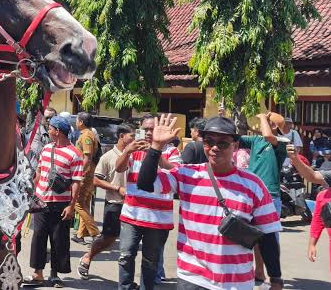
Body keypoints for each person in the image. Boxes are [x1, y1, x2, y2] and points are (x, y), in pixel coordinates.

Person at [137, 115, 283, 290]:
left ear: (235, 146)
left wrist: (276, 278)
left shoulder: (253, 185)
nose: (214, 148)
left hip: (237, 282)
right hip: (193, 279)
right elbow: (145, 183)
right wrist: (156, 147)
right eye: (209, 142)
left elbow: (268, 235)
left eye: (222, 143)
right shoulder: (186, 175)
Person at [115, 114, 180, 290]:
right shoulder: (134, 148)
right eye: (146, 129)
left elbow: (176, 172)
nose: (149, 132)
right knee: (125, 256)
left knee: (150, 262)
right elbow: (119, 168)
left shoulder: (172, 151)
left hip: (158, 219)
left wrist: (155, 152)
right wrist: (127, 151)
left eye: (152, 129)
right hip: (131, 215)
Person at [24, 116, 83, 288]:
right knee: (38, 237)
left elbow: (76, 182)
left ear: (57, 131)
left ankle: (55, 275)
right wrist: (32, 192)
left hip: (61, 204)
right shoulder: (46, 149)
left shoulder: (74, 154)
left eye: (50, 128)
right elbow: (39, 172)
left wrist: (71, 206)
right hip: (41, 202)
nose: (48, 130)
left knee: (59, 240)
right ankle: (38, 273)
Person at [77, 124, 134, 280]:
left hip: (134, 205)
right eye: (131, 136)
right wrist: (117, 188)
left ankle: (127, 281)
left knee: (131, 244)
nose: (134, 139)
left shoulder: (136, 155)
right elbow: (96, 180)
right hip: (115, 203)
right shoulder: (108, 157)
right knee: (108, 238)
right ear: (122, 136)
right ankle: (87, 257)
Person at [238, 112, 286, 285]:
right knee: (254, 236)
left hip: (270, 195)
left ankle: (275, 275)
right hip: (251, 193)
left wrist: (263, 117)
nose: (261, 123)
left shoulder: (281, 142)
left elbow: (268, 136)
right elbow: (235, 139)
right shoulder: (255, 140)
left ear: (274, 126)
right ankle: (259, 271)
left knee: (270, 237)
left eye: (267, 121)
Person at [72, 112, 100, 244]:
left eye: (77, 120)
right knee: (84, 204)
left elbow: (87, 157)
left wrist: (79, 173)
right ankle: (80, 234)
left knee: (77, 203)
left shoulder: (87, 135)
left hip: (85, 173)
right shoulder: (87, 134)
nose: (76, 123)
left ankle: (95, 232)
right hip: (88, 172)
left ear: (81, 122)